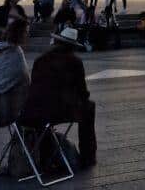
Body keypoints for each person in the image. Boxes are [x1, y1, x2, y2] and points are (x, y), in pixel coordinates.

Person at [21, 26, 97, 168]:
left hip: (33, 111)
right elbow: (83, 92)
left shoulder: (40, 60)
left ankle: (44, 158)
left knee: (46, 111)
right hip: (57, 111)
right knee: (88, 108)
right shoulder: (75, 61)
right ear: (72, 47)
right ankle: (88, 157)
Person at [0, 17, 30, 123]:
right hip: (6, 108)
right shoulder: (16, 52)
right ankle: (24, 137)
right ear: (19, 33)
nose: (28, 35)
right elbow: (24, 79)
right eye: (26, 32)